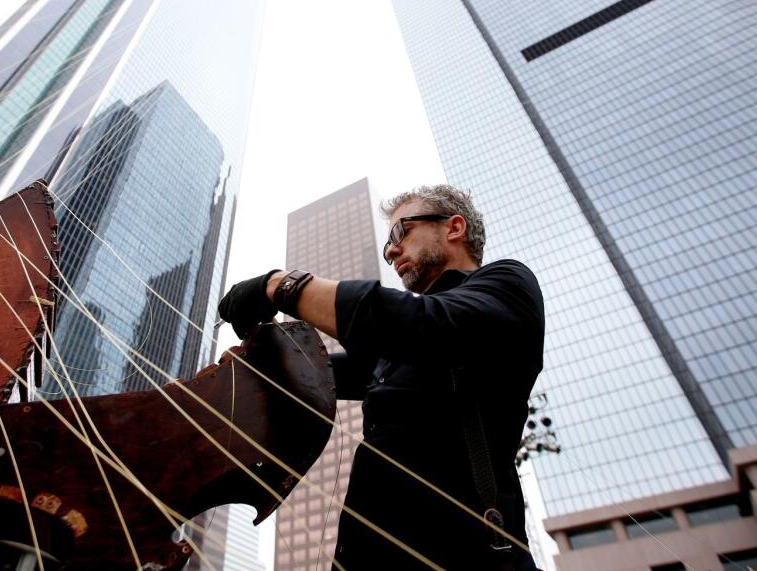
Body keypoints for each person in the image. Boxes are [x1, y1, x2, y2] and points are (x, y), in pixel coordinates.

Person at [218, 185, 544, 570]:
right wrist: (255, 362)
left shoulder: (506, 284)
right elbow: (318, 375)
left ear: (453, 227)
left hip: (468, 556)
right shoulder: (397, 343)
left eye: (399, 233)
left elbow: (412, 323)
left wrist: (280, 286)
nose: (390, 251)